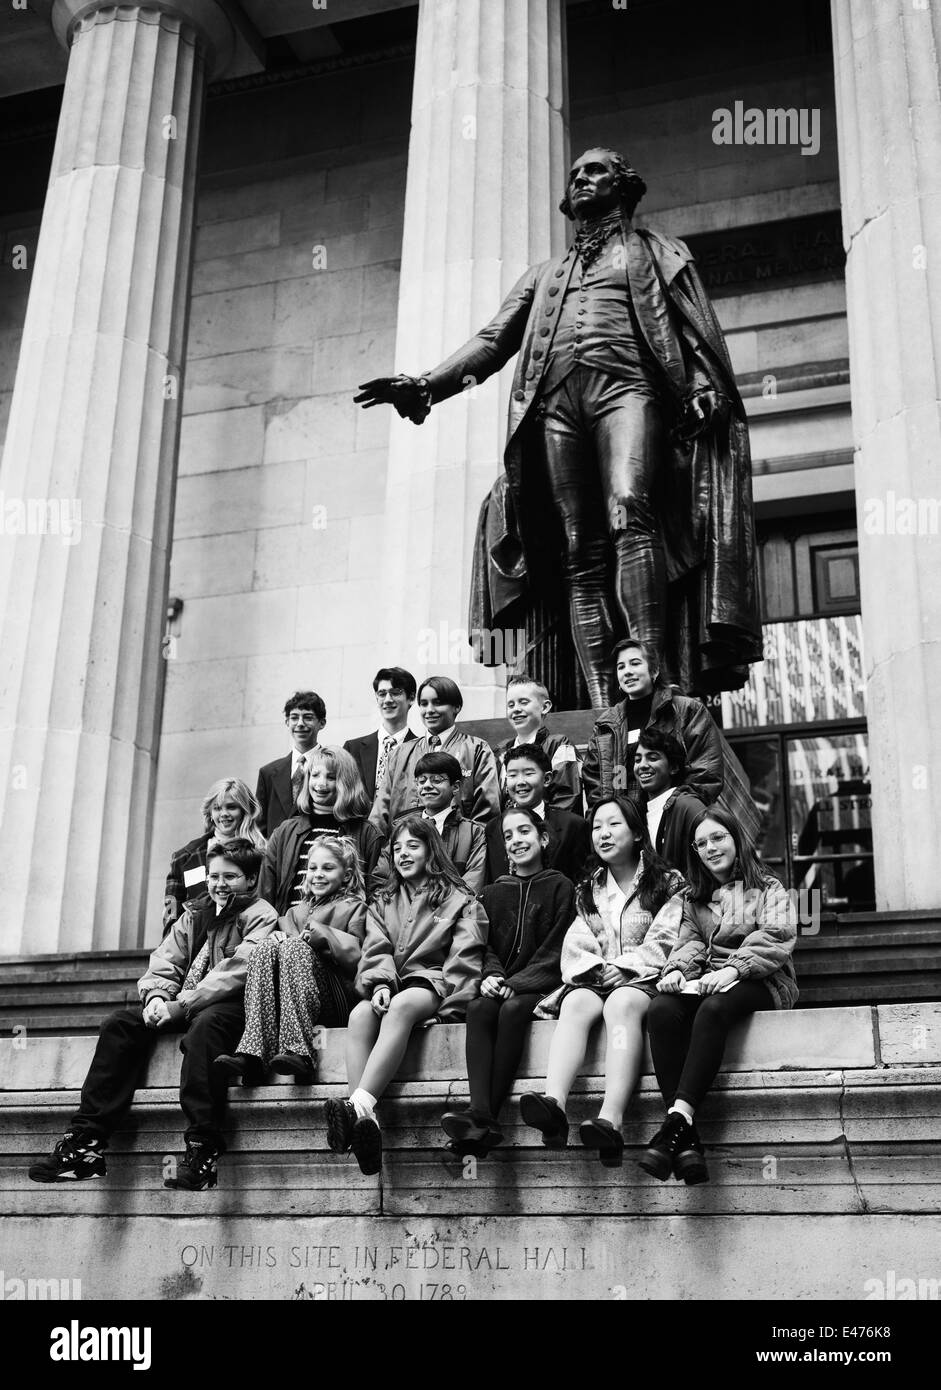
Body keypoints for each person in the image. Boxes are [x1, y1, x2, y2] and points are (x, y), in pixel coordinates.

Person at [356, 146, 761, 706]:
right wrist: (429, 385)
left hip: (628, 391)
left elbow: (694, 333)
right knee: (580, 551)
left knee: (629, 510)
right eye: (574, 176)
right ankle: (602, 707)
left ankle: (652, 686)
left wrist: (704, 388)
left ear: (625, 185)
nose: (581, 180)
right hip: (555, 410)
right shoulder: (546, 275)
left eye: (594, 171)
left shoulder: (657, 253)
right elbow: (494, 342)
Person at [28, 840, 276, 1192]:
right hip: (182, 1003)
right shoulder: (194, 913)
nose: (220, 883)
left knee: (205, 1029)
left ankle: (202, 1151)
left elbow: (237, 972)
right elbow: (165, 960)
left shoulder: (262, 915)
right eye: (214, 875)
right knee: (120, 1024)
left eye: (231, 877)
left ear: (251, 880)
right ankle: (86, 1145)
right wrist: (158, 998)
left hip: (231, 1007)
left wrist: (182, 1005)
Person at [520, 797, 684, 1168]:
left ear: (638, 833)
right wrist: (597, 968)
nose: (603, 834)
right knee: (575, 1003)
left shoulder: (667, 883)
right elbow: (578, 940)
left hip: (645, 981)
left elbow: (667, 937)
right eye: (596, 827)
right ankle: (555, 1105)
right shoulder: (588, 888)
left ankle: (611, 1119)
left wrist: (625, 967)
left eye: (614, 825)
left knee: (620, 1004)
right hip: (598, 978)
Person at [638, 807, 798, 1187]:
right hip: (711, 978)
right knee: (661, 1010)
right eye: (702, 843)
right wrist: (677, 970)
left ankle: (674, 1126)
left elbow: (776, 938)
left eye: (718, 838)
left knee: (712, 1009)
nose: (711, 848)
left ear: (735, 838)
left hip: (764, 979)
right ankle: (684, 1136)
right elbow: (689, 943)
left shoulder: (769, 888)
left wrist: (734, 968)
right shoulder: (695, 900)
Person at [324, 817, 486, 1176]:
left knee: (400, 1006)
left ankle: (358, 1106)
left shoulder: (460, 900)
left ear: (431, 849)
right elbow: (375, 947)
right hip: (392, 984)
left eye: (412, 845)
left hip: (431, 985)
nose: (403, 854)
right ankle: (368, 1122)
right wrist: (379, 983)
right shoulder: (382, 900)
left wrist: (447, 1011)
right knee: (360, 1015)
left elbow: (465, 959)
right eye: (397, 848)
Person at [441, 806, 575, 1157]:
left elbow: (558, 947)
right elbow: (484, 945)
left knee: (513, 1010)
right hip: (501, 983)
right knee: (480, 1008)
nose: (516, 840)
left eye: (524, 832)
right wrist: (492, 976)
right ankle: (481, 1112)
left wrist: (519, 981)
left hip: (541, 988)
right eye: (509, 836)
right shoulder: (492, 893)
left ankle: (483, 1119)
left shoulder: (562, 887)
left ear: (543, 838)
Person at [214, 836, 368, 1086]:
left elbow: (359, 958)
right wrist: (279, 938)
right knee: (264, 947)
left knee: (294, 946)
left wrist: (325, 936)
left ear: (347, 875)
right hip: (292, 1000)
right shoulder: (296, 912)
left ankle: (299, 1052)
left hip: (337, 997)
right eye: (313, 868)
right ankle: (253, 1054)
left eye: (328, 868)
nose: (318, 874)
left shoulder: (355, 907)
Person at [582, 638, 723, 808]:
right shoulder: (606, 726)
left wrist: (674, 811)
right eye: (621, 667)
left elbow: (706, 775)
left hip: (674, 818)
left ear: (654, 671)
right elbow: (594, 784)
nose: (627, 671)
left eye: (635, 663)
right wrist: (609, 817)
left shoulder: (688, 711)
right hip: (624, 823)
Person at [259, 745, 383, 914]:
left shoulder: (367, 834)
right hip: (287, 932)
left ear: (346, 782)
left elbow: (377, 896)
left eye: (331, 777)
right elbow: (265, 896)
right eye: (315, 775)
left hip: (342, 934)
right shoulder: (284, 833)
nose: (321, 784)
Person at [368, 676, 500, 835]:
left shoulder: (476, 749)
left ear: (456, 707)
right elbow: (380, 814)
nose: (429, 710)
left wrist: (469, 847)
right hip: (404, 850)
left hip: (457, 851)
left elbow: (487, 813)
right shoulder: (400, 753)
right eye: (424, 704)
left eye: (438, 703)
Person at [375, 751, 487, 894]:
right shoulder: (401, 829)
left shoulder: (473, 833)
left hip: (450, 912)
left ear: (456, 787)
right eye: (421, 781)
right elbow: (380, 879)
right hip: (402, 912)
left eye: (437, 780)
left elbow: (473, 884)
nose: (427, 785)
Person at [164, 777, 266, 931]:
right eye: (217, 808)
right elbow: (171, 915)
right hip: (195, 944)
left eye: (231, 807)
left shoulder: (263, 854)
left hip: (245, 939)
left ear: (245, 810)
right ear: (210, 813)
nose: (224, 814)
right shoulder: (184, 857)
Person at [485, 743, 590, 884]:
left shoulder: (573, 826)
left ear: (547, 779)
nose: (520, 782)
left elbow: (581, 883)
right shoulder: (493, 828)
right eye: (512, 775)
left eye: (528, 774)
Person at [495, 674, 581, 813]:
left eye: (523, 702)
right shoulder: (501, 752)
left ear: (545, 707)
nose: (516, 709)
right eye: (511, 705)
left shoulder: (558, 745)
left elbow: (567, 799)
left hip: (548, 830)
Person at [632, 728, 708, 875]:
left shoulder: (688, 806)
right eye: (637, 760)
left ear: (673, 767)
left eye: (652, 758)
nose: (642, 765)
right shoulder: (639, 812)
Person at [255, 690, 327, 837]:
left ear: (322, 723)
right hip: (277, 855)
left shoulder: (334, 766)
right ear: (287, 722)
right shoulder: (268, 773)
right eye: (294, 718)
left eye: (308, 717)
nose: (300, 724)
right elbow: (259, 827)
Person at [344, 666, 418, 802]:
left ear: (411, 698)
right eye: (382, 694)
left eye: (395, 692)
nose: (388, 699)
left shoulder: (421, 749)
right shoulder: (352, 748)